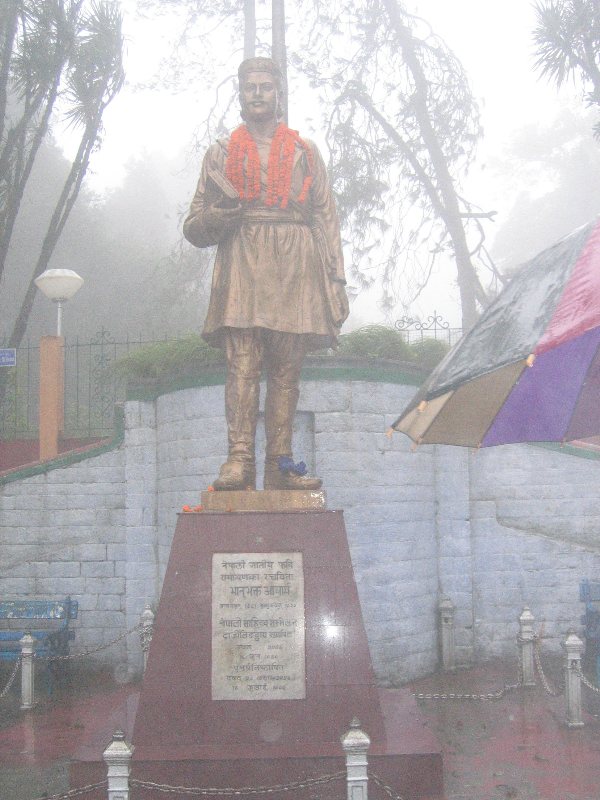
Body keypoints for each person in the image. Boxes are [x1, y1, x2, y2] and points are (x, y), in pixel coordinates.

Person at [183, 57, 349, 491]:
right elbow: (194, 225)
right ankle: (239, 458)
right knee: (242, 365)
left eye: (266, 87)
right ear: (241, 95)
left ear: (279, 94)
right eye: (250, 87)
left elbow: (326, 217)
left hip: (296, 263)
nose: (257, 94)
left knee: (286, 370)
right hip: (242, 260)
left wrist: (335, 280)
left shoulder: (305, 151)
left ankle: (280, 461)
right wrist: (217, 216)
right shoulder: (220, 153)